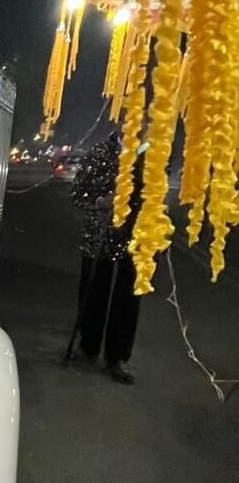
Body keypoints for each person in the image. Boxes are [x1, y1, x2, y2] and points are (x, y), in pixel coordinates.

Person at [69, 132, 143, 384]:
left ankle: (118, 357)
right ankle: (88, 346)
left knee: (128, 298)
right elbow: (77, 192)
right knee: (93, 290)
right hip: (99, 234)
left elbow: (157, 199)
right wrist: (101, 201)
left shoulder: (151, 156)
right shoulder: (100, 152)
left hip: (136, 238)